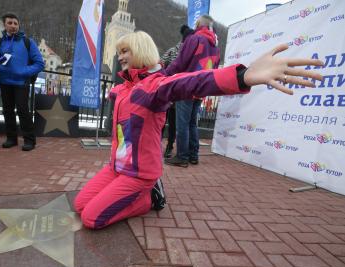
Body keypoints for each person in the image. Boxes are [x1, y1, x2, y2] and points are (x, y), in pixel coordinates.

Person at [73, 31, 323, 229]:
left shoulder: (153, 87)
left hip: (138, 174)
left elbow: (189, 82)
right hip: (116, 169)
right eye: (119, 52)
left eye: (125, 50)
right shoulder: (124, 89)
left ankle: (148, 198)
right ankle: (132, 194)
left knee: (92, 219)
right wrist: (115, 93)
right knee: (80, 205)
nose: (121, 56)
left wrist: (242, 76)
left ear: (141, 51)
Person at [165, 15, 220, 167]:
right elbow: (214, 69)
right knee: (192, 123)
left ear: (198, 24)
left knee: (182, 123)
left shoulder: (194, 39)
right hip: (202, 88)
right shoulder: (215, 46)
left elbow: (180, 62)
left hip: (187, 86)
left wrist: (164, 74)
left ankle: (182, 157)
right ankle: (193, 155)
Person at [0, 13, 44, 151]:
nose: (13, 26)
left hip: (21, 83)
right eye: (10, 23)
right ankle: (11, 138)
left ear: (18, 26)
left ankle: (30, 140)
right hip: (5, 83)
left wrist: (23, 71)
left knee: (23, 111)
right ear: (4, 25)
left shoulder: (27, 42)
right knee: (8, 111)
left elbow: (40, 64)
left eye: (15, 23)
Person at [160, 25, 195, 158]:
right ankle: (163, 145)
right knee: (166, 121)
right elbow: (161, 65)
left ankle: (167, 146)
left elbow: (161, 65)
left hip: (175, 93)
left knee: (169, 122)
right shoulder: (175, 51)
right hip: (171, 92)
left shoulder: (185, 52)